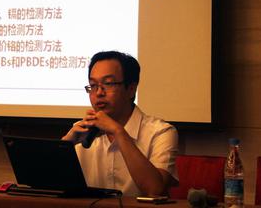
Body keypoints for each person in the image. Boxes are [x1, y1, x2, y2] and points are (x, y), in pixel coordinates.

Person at [62, 51, 178, 196]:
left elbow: (155, 190)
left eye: (108, 83)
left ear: (131, 89)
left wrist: (119, 132)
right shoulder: (81, 133)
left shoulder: (161, 132)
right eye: (93, 85)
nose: (98, 93)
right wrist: (65, 145)